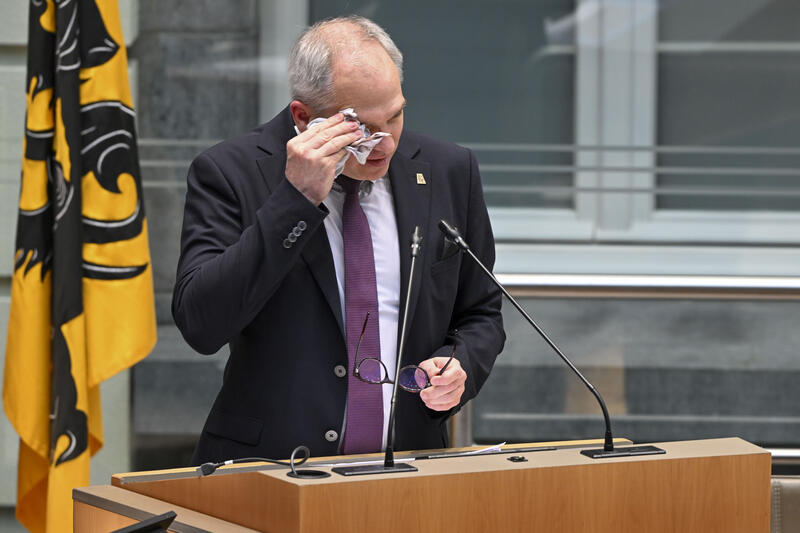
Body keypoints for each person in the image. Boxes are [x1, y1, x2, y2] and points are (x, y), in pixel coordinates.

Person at [172, 15, 505, 463]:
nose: (385, 143)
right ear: (304, 117)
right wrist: (295, 199)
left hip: (407, 467)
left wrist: (459, 364)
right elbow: (201, 323)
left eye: (396, 115)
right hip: (270, 469)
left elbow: (481, 311)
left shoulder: (449, 170)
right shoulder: (230, 171)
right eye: (363, 128)